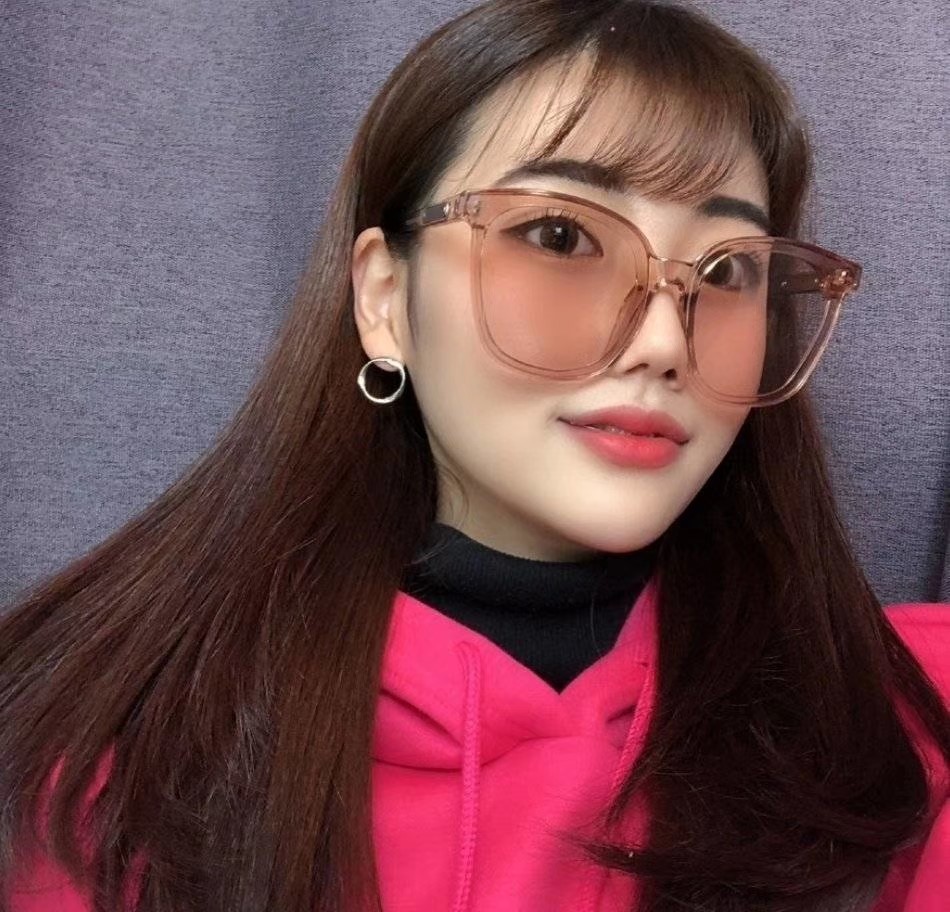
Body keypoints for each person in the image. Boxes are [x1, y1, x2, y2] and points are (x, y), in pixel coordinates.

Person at [1, 0, 947, 910]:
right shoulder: (98, 757)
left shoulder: (902, 734)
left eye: (728, 270)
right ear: (383, 299)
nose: (664, 340)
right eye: (560, 236)